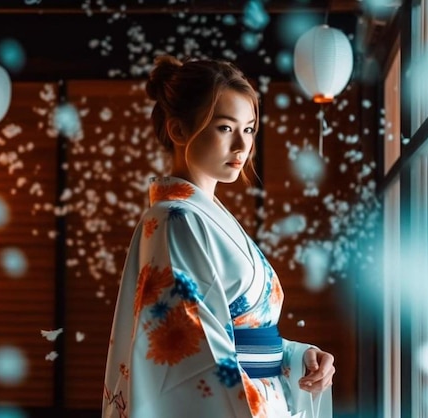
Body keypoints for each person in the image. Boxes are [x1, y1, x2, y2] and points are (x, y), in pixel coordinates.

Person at [102, 55, 335, 418]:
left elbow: (244, 333)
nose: (242, 146)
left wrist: (297, 356)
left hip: (261, 398)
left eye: (249, 129)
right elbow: (196, 356)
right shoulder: (176, 220)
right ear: (179, 131)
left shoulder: (203, 217)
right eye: (226, 128)